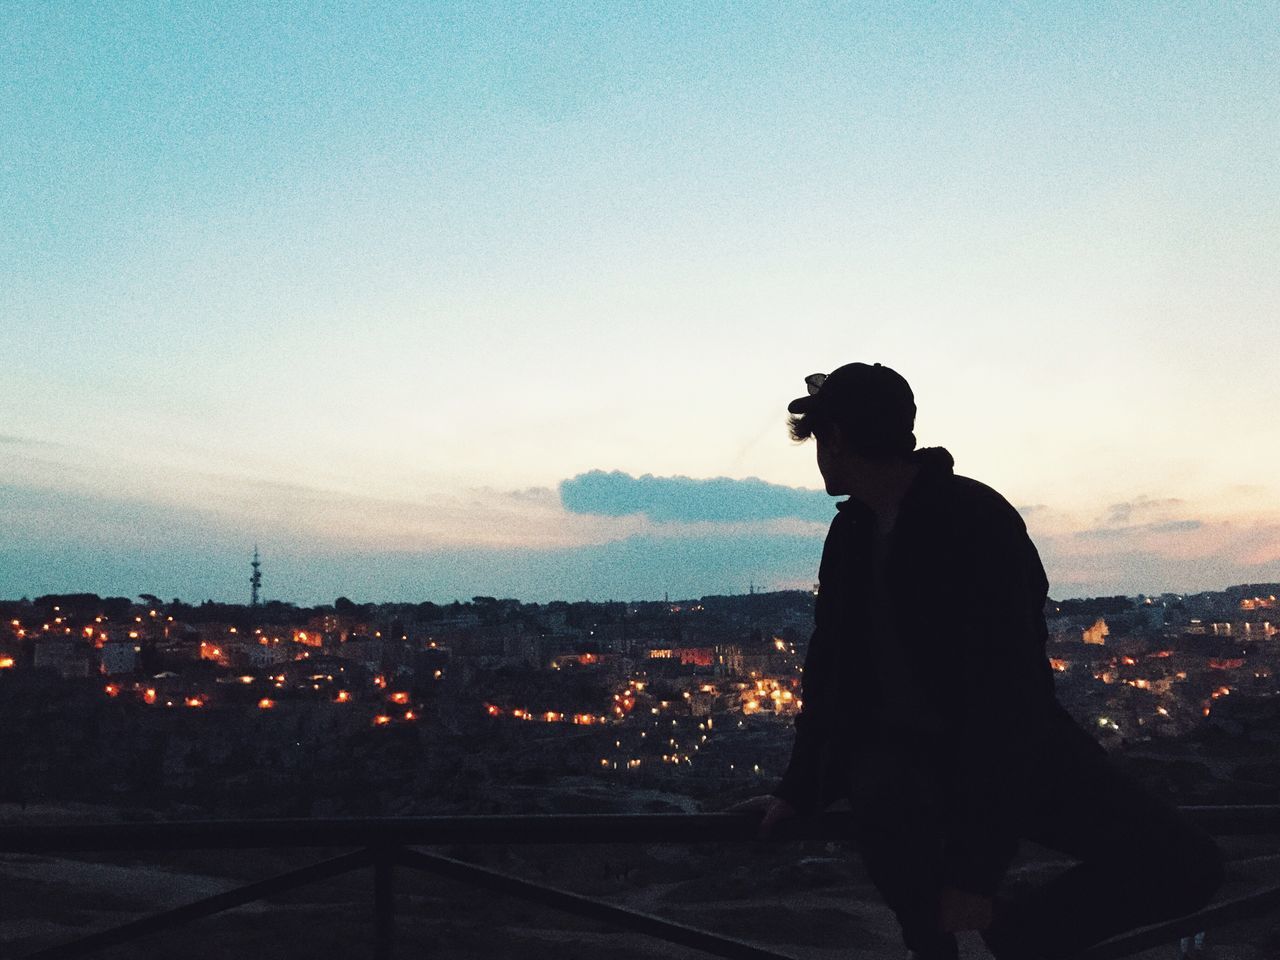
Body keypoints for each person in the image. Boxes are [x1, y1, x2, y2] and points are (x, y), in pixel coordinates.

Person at [740, 362, 1223, 960]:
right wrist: (799, 789)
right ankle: (1014, 938)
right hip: (948, 771)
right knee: (1184, 864)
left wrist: (975, 874)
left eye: (818, 440)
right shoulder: (888, 527)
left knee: (1184, 866)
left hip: (953, 769)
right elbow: (836, 667)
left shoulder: (960, 522)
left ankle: (1013, 937)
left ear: (835, 436)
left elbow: (997, 697)